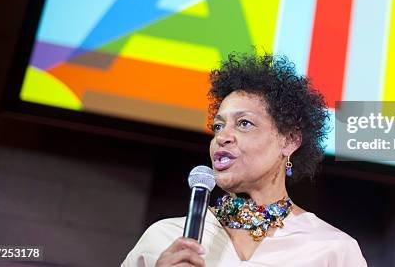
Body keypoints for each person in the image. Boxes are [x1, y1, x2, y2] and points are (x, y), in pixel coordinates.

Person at [121, 53, 368, 266]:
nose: (223, 137)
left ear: (289, 140)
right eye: (218, 126)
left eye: (244, 123)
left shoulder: (332, 249)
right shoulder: (163, 239)